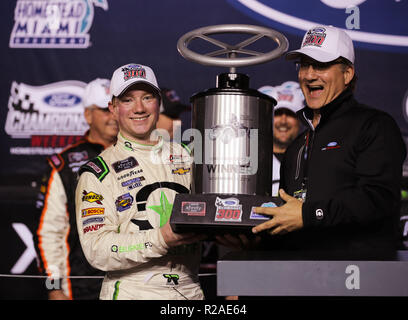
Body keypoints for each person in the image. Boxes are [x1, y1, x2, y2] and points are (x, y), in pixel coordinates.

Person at [252, 25, 406, 255]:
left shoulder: (374, 125)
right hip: (296, 283)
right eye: (304, 65)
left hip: (356, 283)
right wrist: (255, 239)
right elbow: (288, 220)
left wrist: (310, 215)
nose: (309, 74)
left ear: (347, 74)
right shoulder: (297, 145)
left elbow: (379, 199)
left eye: (321, 65)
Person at [75, 63, 206, 300]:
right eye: (127, 100)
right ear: (113, 108)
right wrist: (161, 238)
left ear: (158, 104)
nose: (139, 108)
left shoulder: (188, 156)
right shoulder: (98, 172)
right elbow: (96, 250)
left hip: (190, 289)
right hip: (132, 291)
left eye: (147, 97)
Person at [35, 78, 118, 300]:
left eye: (116, 107)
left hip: (133, 281)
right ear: (88, 115)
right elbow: (49, 231)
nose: (113, 116)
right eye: (104, 109)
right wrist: (53, 288)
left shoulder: (139, 155)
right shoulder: (62, 164)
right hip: (82, 285)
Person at [258, 81, 304, 196]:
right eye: (277, 113)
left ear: (300, 120)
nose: (283, 121)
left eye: (290, 114)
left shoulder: (313, 159)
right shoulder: (251, 161)